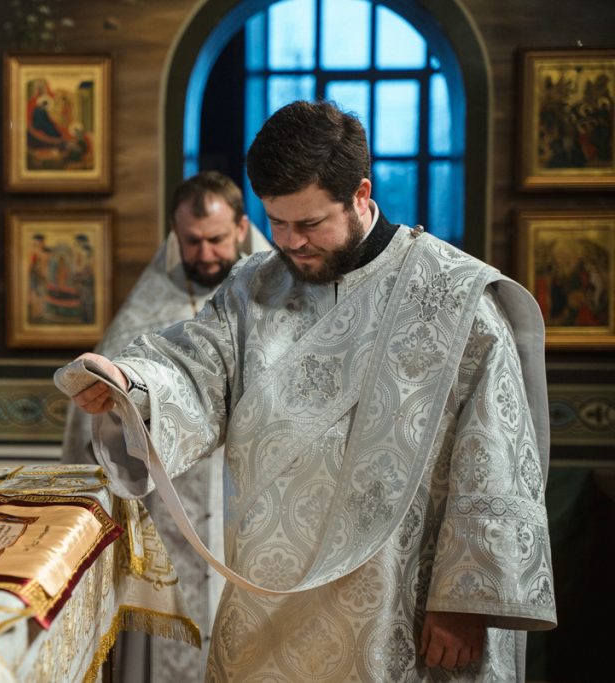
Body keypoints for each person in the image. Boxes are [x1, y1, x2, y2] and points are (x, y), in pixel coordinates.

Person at [57, 100, 556, 681]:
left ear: (360, 194)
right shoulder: (253, 288)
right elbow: (196, 366)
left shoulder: (456, 299)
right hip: (273, 600)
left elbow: (494, 458)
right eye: (277, 222)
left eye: (311, 224)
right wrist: (131, 385)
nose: (291, 242)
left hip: (402, 597)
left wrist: (464, 602)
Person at [61, 171, 271, 682]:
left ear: (241, 227)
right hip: (169, 507)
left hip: (253, 504)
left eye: (216, 239)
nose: (205, 254)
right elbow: (97, 416)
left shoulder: (273, 296)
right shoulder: (149, 310)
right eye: (191, 241)